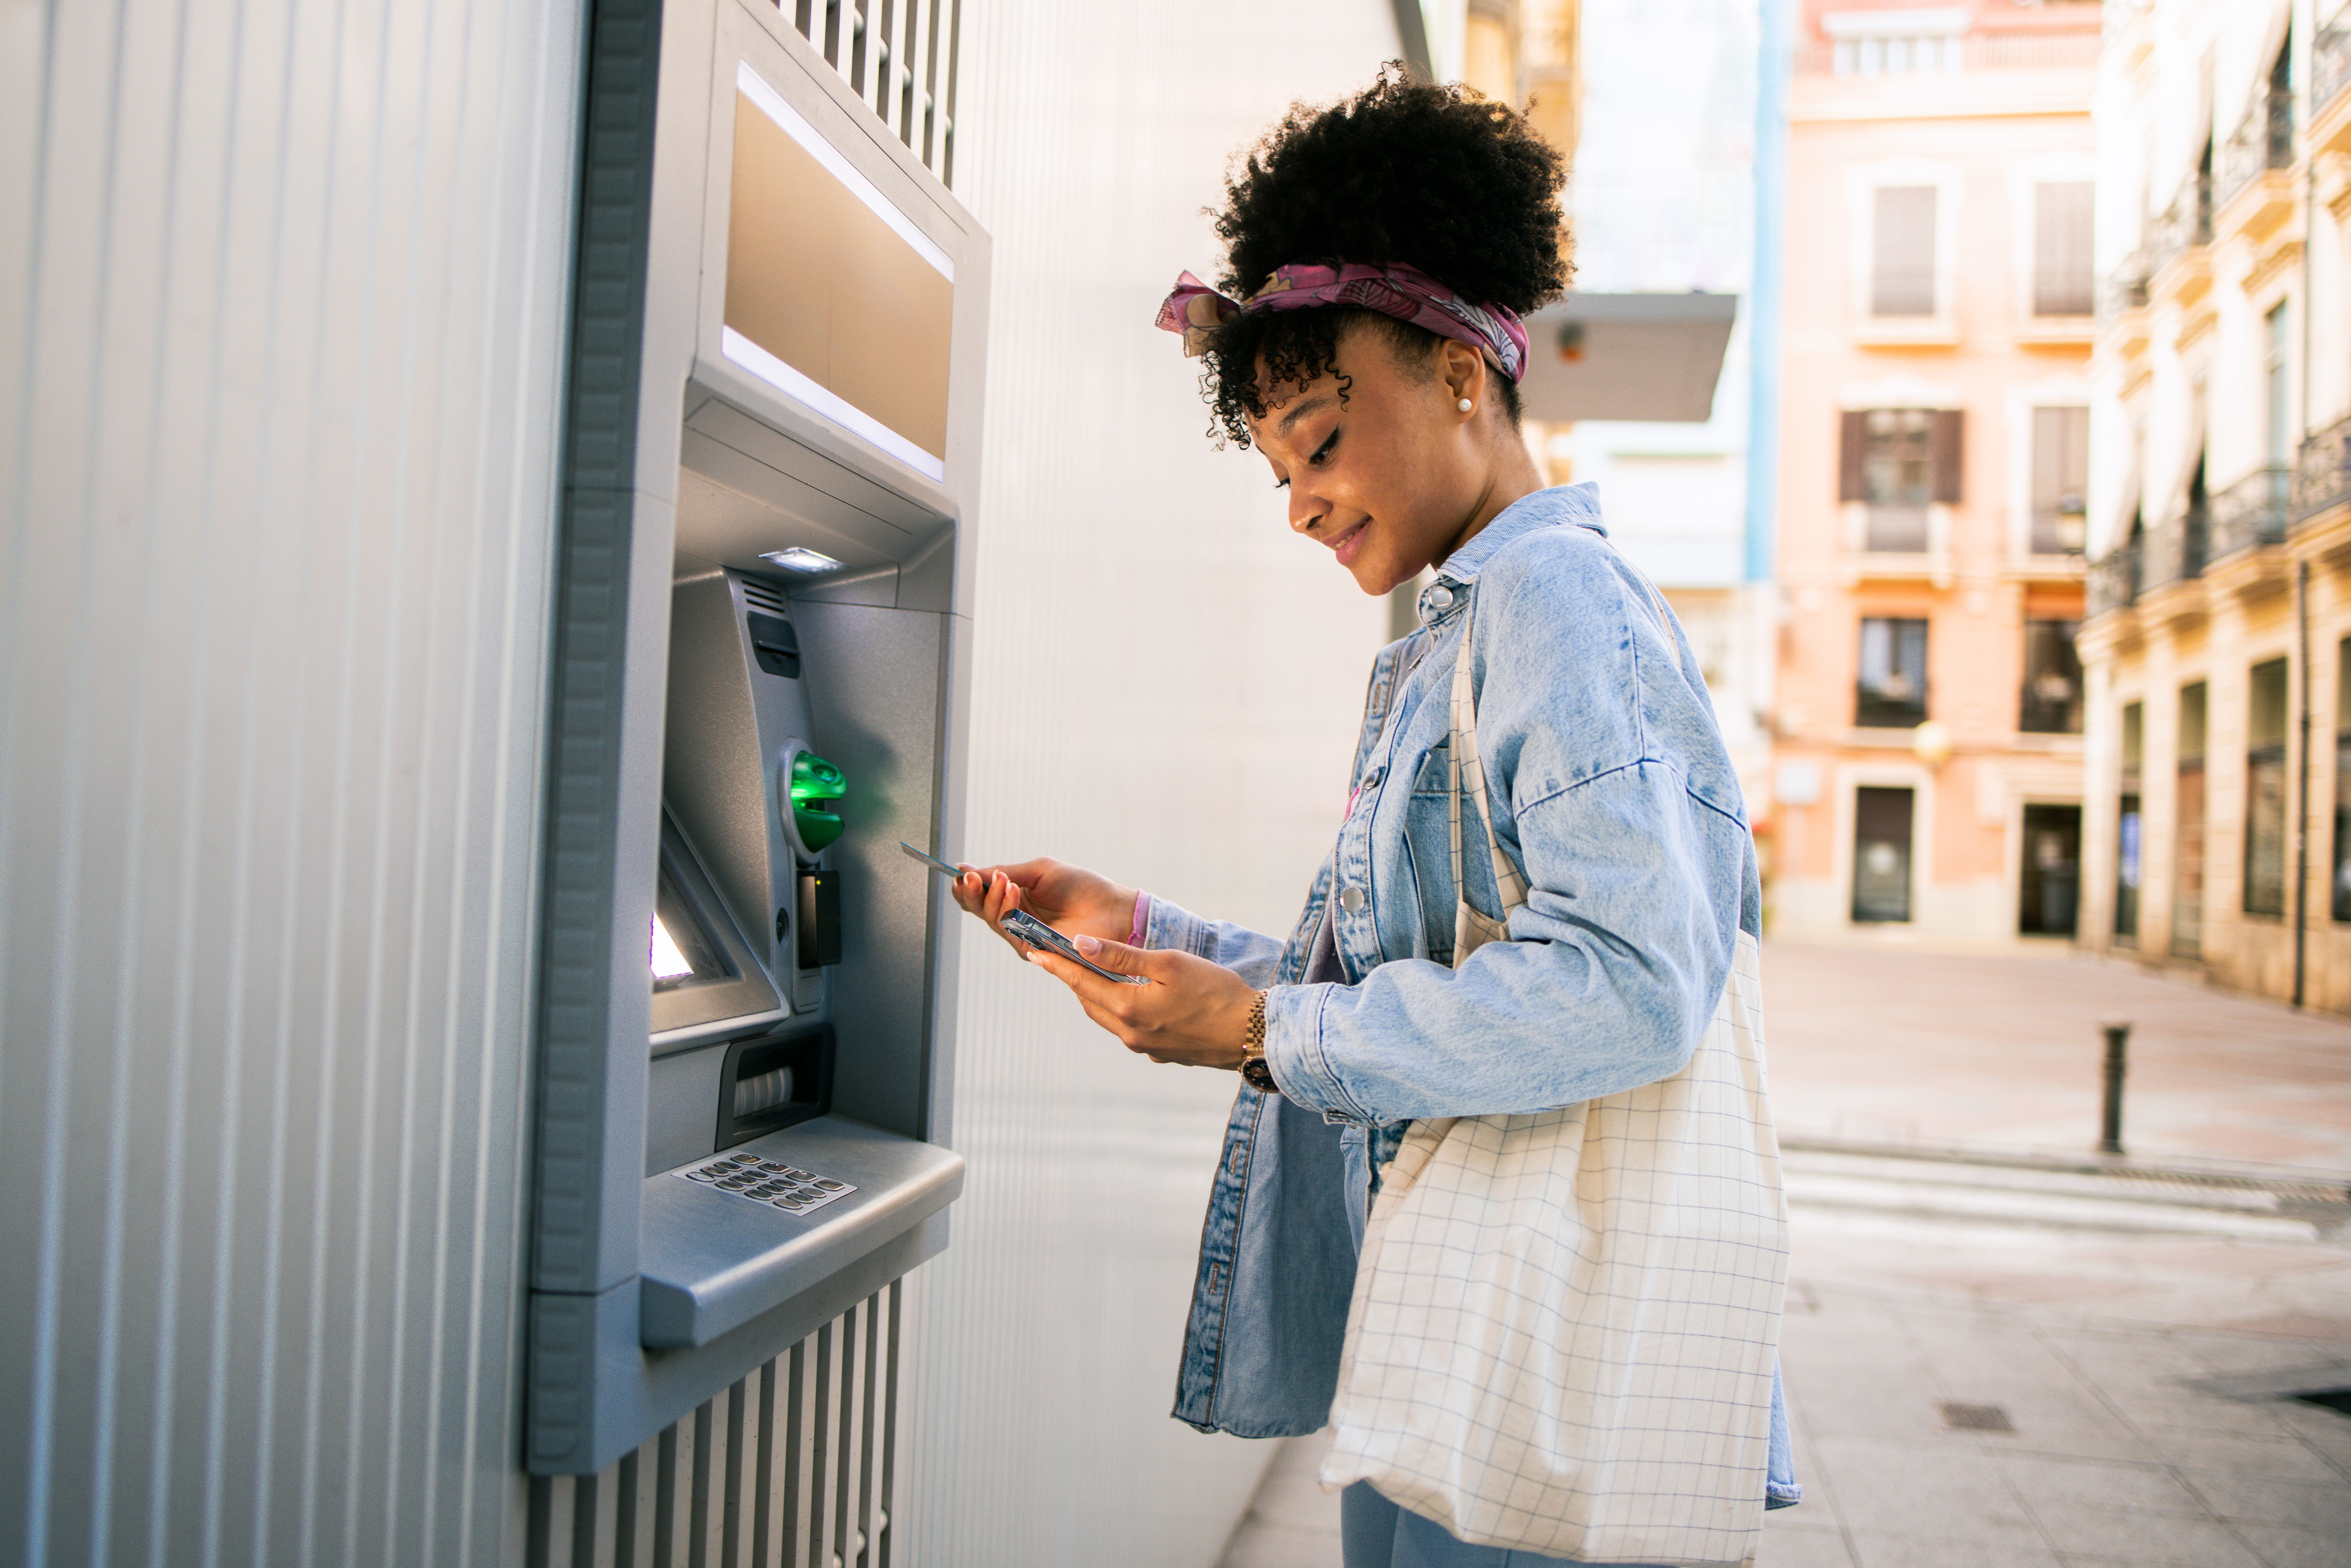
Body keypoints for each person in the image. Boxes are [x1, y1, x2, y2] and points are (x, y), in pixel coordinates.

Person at [946, 67, 1799, 1568]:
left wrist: (1265, 1032)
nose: (1298, 502)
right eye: (1277, 467)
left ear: (1462, 370)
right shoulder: (1457, 636)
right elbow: (1409, 978)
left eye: (1323, 439)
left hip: (1532, 1375)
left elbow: (1633, 984)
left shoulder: (1554, 599)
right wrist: (1149, 938)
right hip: (1441, 1341)